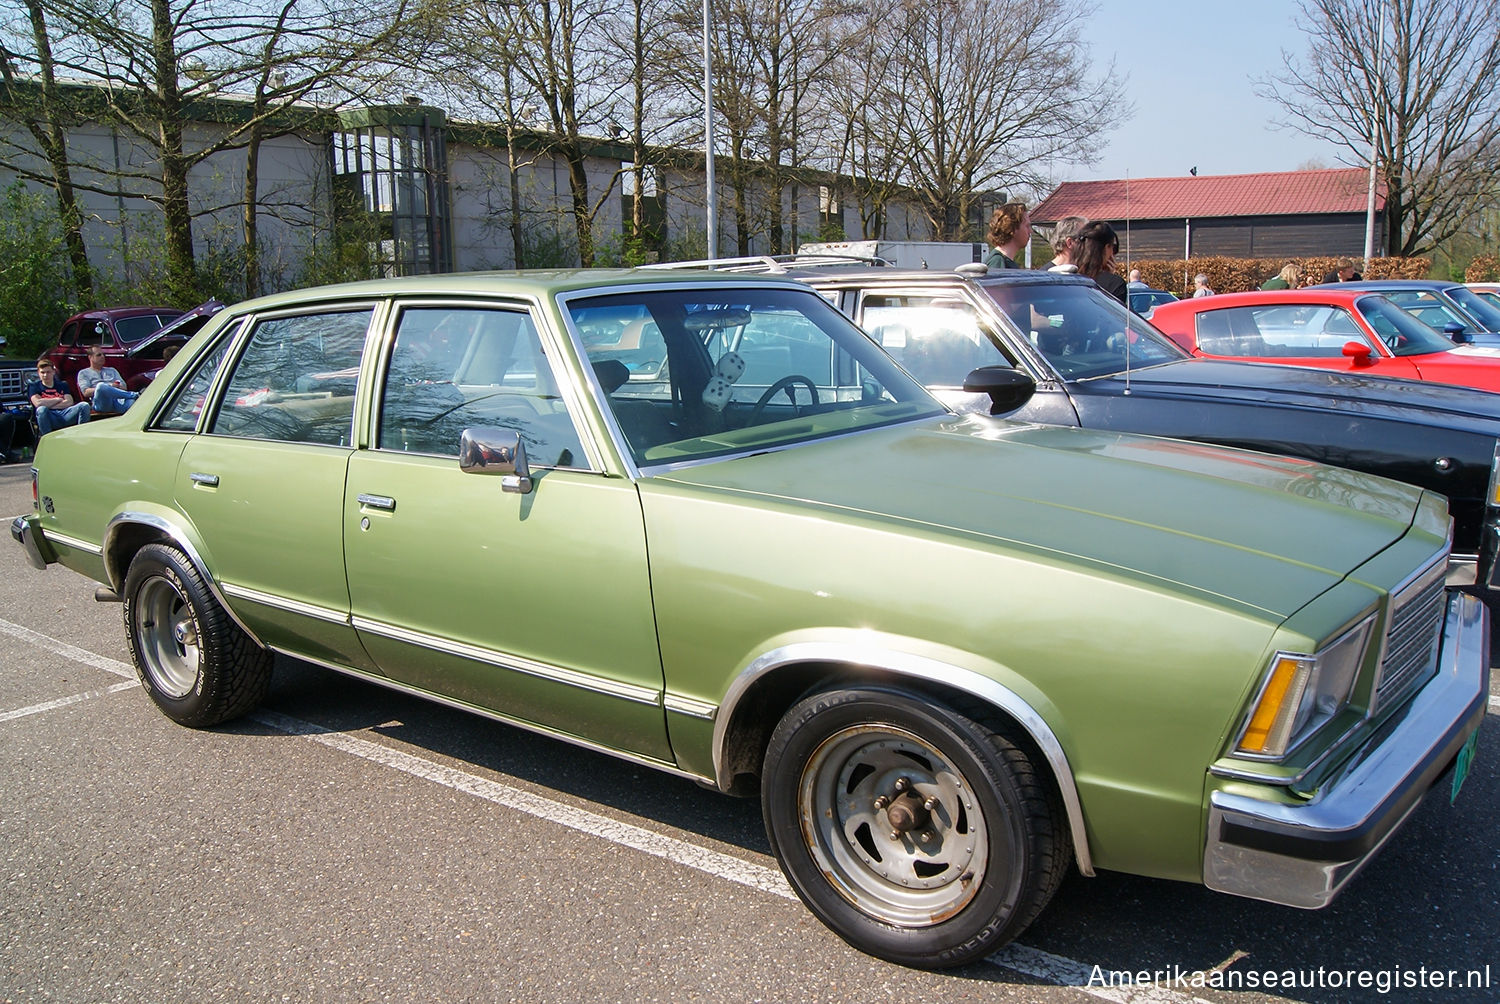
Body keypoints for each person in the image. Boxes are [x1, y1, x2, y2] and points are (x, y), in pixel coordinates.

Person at [28, 357, 90, 434]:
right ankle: (47, 439)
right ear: (38, 373)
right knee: (42, 410)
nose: (45, 375)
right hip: (49, 416)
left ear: (53, 372)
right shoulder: (34, 386)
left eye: (48, 372)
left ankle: (82, 434)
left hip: (65, 414)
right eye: (42, 372)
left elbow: (69, 402)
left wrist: (48, 403)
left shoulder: (62, 385)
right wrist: (58, 399)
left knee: (84, 405)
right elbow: (38, 403)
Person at [1073, 221, 1128, 304]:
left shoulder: (1065, 279)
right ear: (1107, 247)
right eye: (1113, 248)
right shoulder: (1115, 284)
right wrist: (1109, 278)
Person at [76, 346, 140, 413]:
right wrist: (107, 387)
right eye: (99, 355)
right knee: (101, 386)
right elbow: (86, 392)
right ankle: (134, 395)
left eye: (104, 354)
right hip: (101, 403)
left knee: (131, 402)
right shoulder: (83, 373)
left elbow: (124, 387)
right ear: (90, 357)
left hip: (117, 401)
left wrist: (115, 386)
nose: (102, 357)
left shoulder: (112, 370)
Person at [984, 202, 1031, 269]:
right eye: (1027, 226)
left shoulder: (1004, 261)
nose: (1030, 231)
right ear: (1012, 228)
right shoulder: (997, 261)